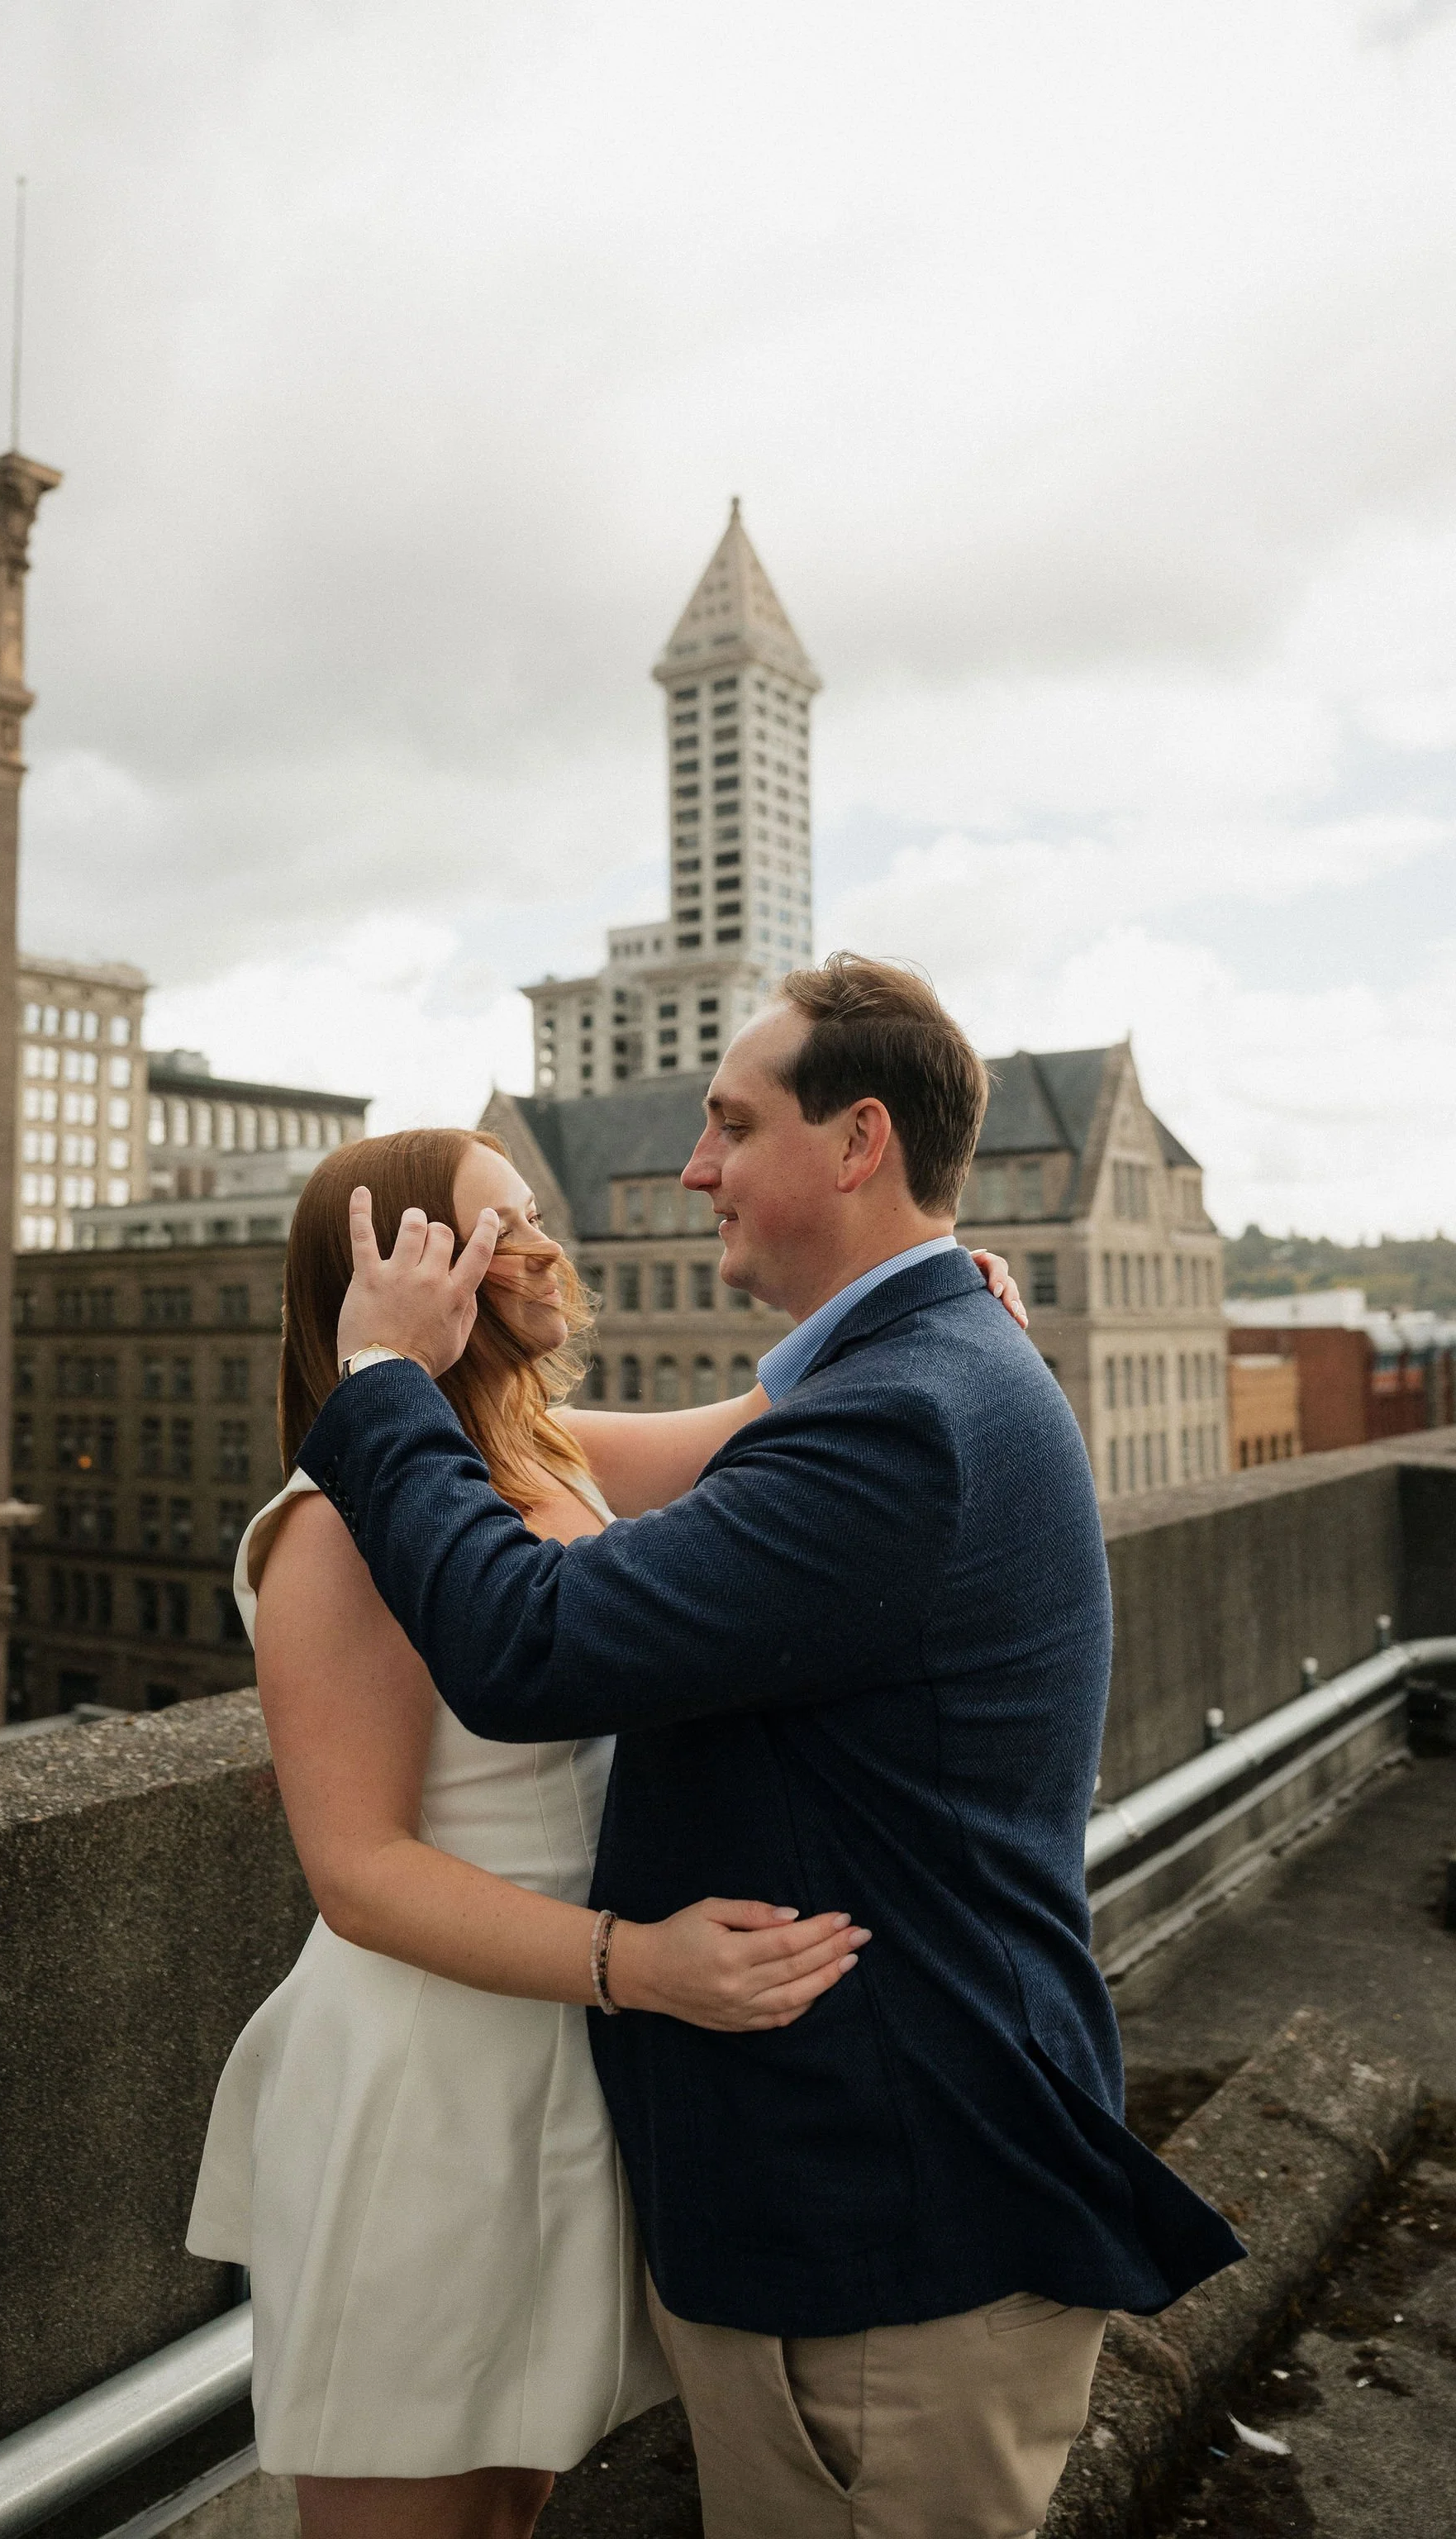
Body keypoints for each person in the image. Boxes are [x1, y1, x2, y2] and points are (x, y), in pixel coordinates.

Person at [295, 954, 1246, 2539]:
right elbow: (578, 1454)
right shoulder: (925, 1375)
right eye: (496, 1224)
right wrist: (394, 1385)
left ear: (859, 1142)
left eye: (731, 1126)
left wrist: (388, 1378)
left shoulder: (905, 1415)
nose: (689, 1168)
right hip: (824, 2178)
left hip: (880, 2223)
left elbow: (532, 1644)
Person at [189, 1118, 1029, 2539]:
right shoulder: (341, 1526)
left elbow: (738, 1439)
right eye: (498, 1226)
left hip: (557, 2070)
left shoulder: (533, 1451)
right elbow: (358, 1873)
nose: (545, 1247)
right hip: (428, 2088)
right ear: (408, 1272)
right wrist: (636, 1965)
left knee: (511, 2499)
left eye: (533, 1212)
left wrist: (935, 1300)